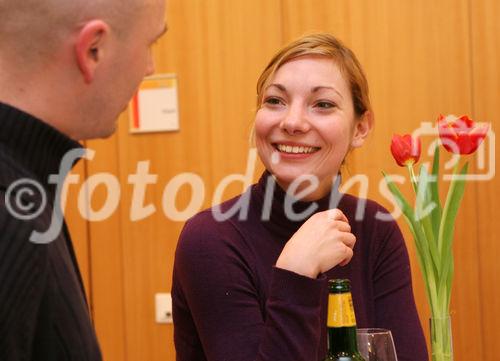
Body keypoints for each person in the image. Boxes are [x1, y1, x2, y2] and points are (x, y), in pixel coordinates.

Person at [172, 33, 428, 361]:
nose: (292, 122)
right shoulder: (210, 239)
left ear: (361, 128)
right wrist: (296, 270)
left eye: (323, 104)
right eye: (275, 101)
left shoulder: (375, 229)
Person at [0, 0, 167, 359]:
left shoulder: (26, 187)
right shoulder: (10, 219)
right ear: (93, 49)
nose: (150, 68)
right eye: (149, 46)